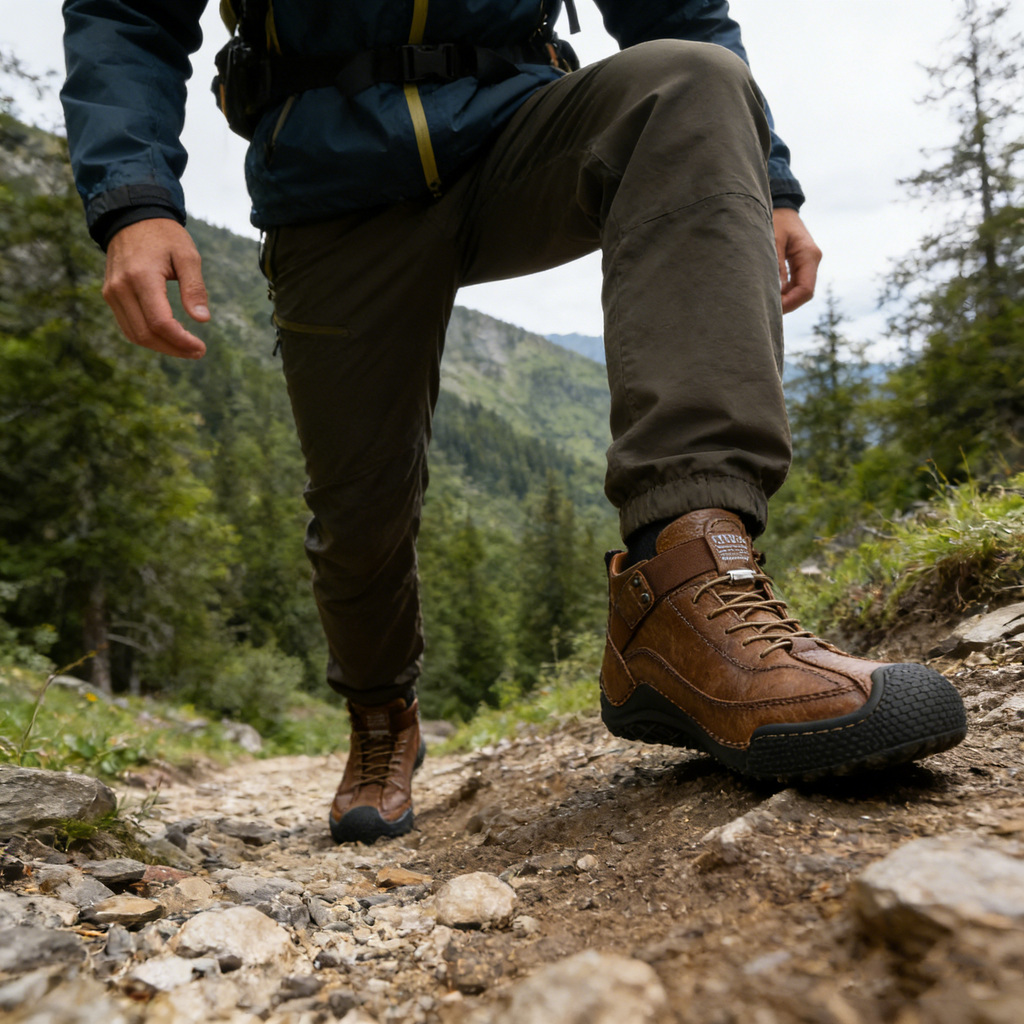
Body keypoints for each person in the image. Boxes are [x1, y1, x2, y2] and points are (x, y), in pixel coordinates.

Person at [61, 0, 967, 845]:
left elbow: (679, 9)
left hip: (518, 131)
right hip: (329, 182)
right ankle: (382, 720)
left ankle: (689, 586)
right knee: (359, 506)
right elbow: (126, 10)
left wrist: (768, 180)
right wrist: (135, 198)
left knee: (690, 81)